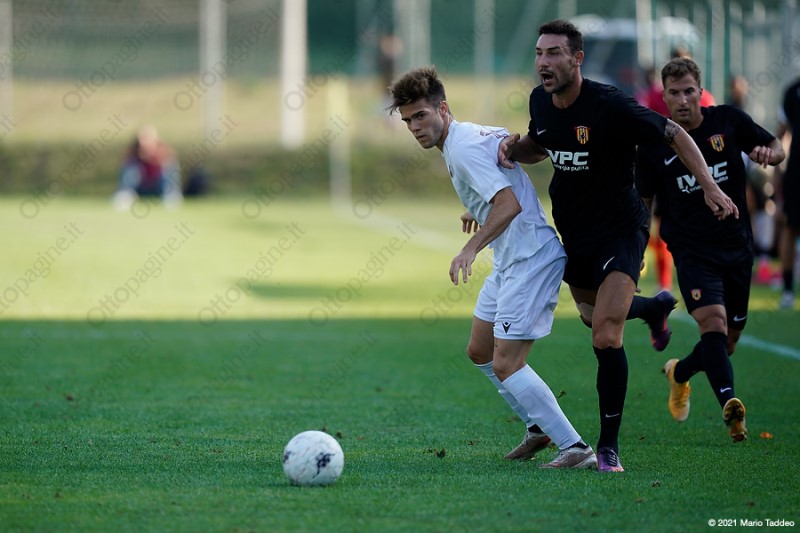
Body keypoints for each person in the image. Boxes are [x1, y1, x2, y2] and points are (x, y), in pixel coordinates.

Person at [498, 20, 738, 472]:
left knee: (605, 334)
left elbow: (675, 133)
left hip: (622, 230)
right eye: (539, 53)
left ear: (577, 59)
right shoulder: (540, 101)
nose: (543, 62)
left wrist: (708, 185)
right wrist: (513, 148)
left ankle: (607, 448)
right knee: (592, 315)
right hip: (576, 233)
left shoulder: (610, 104)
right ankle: (653, 307)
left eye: (553, 53)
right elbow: (541, 144)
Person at [388, 66, 596, 469]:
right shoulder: (467, 135)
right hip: (510, 260)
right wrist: (478, 205)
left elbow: (509, 204)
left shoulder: (461, 148)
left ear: (442, 109)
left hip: (531, 258)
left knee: (506, 362)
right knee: (480, 350)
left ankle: (575, 448)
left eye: (421, 116)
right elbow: (504, 162)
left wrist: (469, 249)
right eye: (408, 120)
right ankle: (537, 427)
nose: (414, 127)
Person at [636, 57, 784, 443]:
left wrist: (770, 155)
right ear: (664, 97)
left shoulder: (728, 121)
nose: (683, 100)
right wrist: (636, 247)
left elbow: (775, 147)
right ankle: (731, 406)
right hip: (691, 251)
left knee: (727, 343)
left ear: (700, 92)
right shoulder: (654, 145)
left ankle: (680, 372)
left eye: (689, 91)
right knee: (713, 326)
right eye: (674, 93)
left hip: (736, 247)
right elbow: (645, 201)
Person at [774, 78, 800, 309]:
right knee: (790, 227)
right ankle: (788, 289)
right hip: (796, 170)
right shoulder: (792, 91)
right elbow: (780, 134)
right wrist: (776, 170)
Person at [113, 125, 182, 210]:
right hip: (140, 189)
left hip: (159, 188)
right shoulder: (133, 157)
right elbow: (126, 177)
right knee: (132, 171)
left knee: (168, 171)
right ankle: (126, 196)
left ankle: (171, 197)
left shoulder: (165, 155)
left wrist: (155, 161)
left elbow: (172, 178)